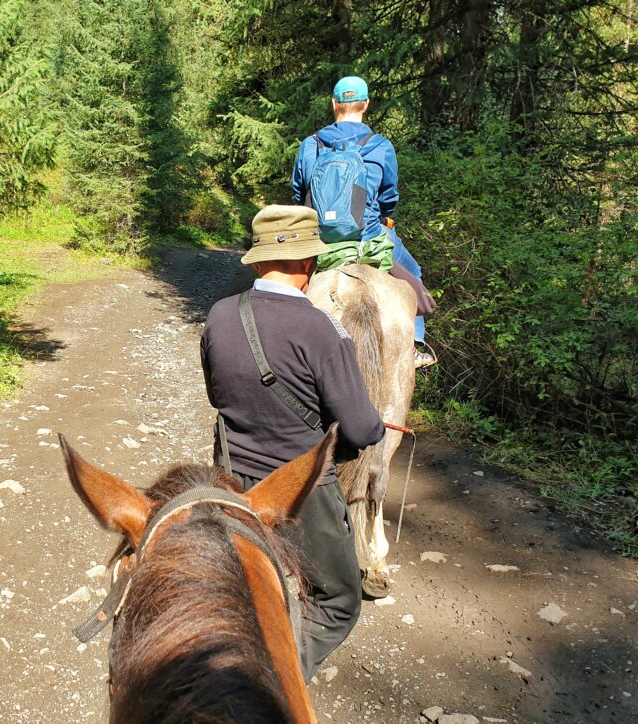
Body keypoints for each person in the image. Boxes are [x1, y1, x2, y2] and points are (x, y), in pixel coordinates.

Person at [200, 204, 385, 682]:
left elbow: (217, 395)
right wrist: (380, 424)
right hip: (300, 492)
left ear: (258, 261)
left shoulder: (220, 315)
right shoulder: (319, 329)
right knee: (337, 601)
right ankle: (272, 681)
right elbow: (362, 430)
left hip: (232, 482)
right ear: (309, 264)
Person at [291, 75, 435, 368]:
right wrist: (381, 216)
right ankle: (414, 346)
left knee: (289, 284)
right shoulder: (380, 146)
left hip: (320, 239)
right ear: (366, 104)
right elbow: (389, 196)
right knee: (414, 270)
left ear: (334, 104)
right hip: (368, 235)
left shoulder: (310, 144)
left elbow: (298, 190)